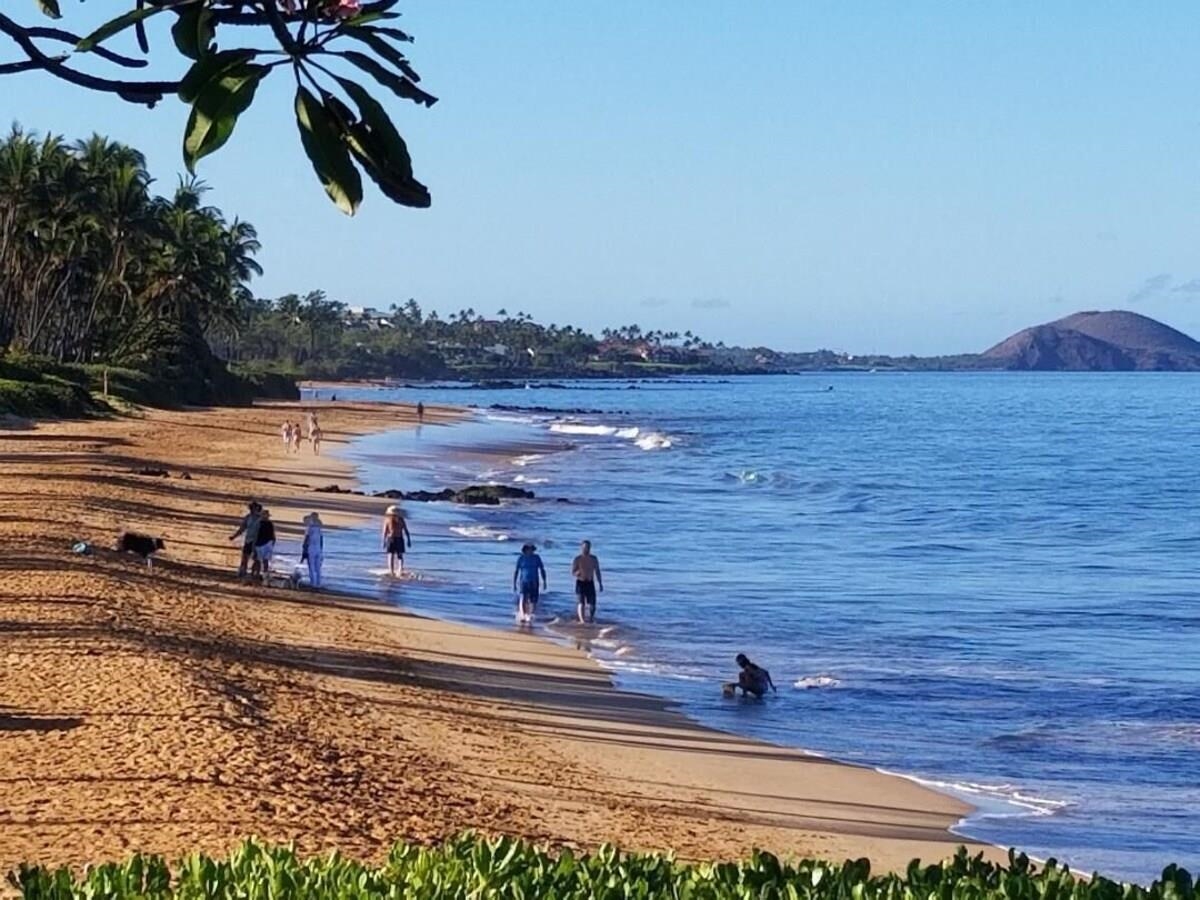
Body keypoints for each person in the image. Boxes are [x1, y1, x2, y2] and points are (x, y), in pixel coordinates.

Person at [512, 543, 547, 624]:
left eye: (532, 549)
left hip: (534, 581)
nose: (531, 551)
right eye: (529, 549)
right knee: (523, 597)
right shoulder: (521, 558)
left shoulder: (536, 558)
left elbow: (542, 569)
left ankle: (530, 615)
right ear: (525, 550)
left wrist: (544, 581)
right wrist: (514, 583)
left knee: (533, 599)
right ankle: (523, 614)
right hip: (524, 581)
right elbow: (516, 571)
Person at [571, 540, 603, 623]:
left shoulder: (593, 559)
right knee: (581, 602)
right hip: (580, 582)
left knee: (593, 603)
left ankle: (591, 618)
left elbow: (597, 571)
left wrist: (600, 583)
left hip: (590, 582)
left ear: (590, 548)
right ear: (581, 548)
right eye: (584, 547)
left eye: (588, 547)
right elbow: (573, 572)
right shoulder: (578, 559)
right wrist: (577, 573)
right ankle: (582, 620)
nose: (586, 549)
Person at [229, 501, 263, 578]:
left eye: (252, 509)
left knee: (256, 559)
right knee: (245, 557)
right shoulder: (248, 517)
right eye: (250, 509)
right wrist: (234, 536)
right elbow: (242, 528)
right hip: (248, 540)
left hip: (257, 542)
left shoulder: (261, 520)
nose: (251, 510)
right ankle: (242, 572)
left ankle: (255, 574)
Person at [381, 504, 411, 576]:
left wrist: (383, 541)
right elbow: (406, 531)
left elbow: (384, 531)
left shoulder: (388, 520)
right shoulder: (401, 520)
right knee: (399, 555)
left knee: (391, 555)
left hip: (392, 538)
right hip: (398, 538)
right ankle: (399, 570)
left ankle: (392, 571)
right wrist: (408, 540)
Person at [302, 512, 324, 589]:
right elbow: (321, 539)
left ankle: (313, 583)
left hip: (311, 547)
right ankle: (318, 583)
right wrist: (321, 550)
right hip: (318, 548)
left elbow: (307, 539)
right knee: (318, 567)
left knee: (311, 566)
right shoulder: (319, 528)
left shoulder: (309, 528)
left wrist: (304, 548)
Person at [255, 509, 277, 583]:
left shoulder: (261, 523)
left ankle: (262, 574)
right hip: (264, 543)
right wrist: (273, 541)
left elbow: (273, 534)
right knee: (262, 560)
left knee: (262, 560)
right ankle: (262, 574)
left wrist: (273, 541)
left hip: (263, 543)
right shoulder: (265, 523)